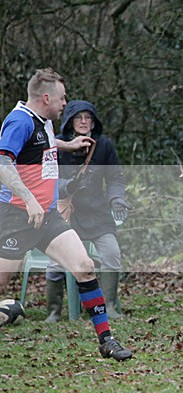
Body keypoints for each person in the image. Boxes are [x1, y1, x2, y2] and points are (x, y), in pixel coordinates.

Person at [0, 68, 132, 361]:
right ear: (45, 97)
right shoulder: (19, 121)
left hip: (47, 217)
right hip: (16, 217)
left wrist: (67, 144)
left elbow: (38, 146)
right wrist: (29, 199)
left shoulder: (43, 121)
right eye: (62, 98)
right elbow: (3, 163)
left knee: (84, 266)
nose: (65, 103)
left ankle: (106, 340)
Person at [44, 100, 130, 322]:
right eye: (78, 118)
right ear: (70, 121)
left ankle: (109, 305)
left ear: (94, 121)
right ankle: (54, 311)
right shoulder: (58, 145)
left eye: (88, 117)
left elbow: (115, 178)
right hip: (66, 215)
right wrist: (66, 186)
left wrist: (117, 199)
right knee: (55, 262)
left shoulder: (104, 146)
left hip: (97, 215)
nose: (83, 122)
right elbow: (47, 181)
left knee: (112, 254)